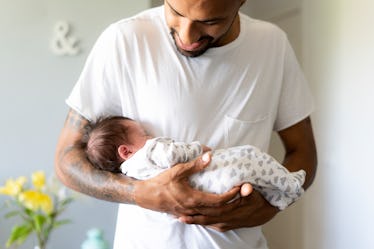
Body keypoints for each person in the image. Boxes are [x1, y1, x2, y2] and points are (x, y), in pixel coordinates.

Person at [54, 0, 317, 248]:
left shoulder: (272, 45)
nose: (187, 36)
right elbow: (66, 160)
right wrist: (140, 193)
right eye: (176, 12)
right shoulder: (125, 41)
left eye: (210, 21)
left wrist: (269, 208)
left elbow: (303, 153)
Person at [82, 116, 306, 210]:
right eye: (142, 134)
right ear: (125, 150)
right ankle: (289, 185)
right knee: (251, 156)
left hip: (202, 191)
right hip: (212, 174)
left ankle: (278, 196)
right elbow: (172, 155)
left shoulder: (130, 173)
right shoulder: (149, 150)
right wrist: (198, 149)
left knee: (252, 178)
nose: (149, 136)